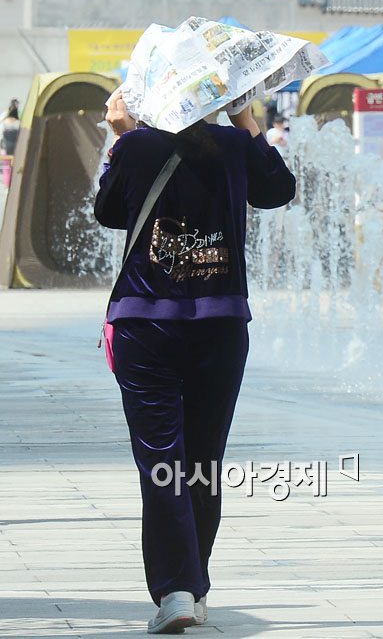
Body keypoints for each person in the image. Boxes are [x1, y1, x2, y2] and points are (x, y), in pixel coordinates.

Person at [94, 90, 296, 634]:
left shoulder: (135, 147)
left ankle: (178, 590)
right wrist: (245, 117)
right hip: (220, 325)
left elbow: (108, 211)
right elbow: (279, 190)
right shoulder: (234, 146)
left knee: (162, 459)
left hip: (146, 326)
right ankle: (193, 585)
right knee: (204, 460)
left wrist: (121, 138)